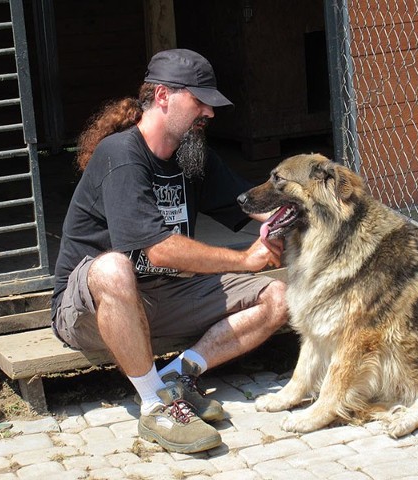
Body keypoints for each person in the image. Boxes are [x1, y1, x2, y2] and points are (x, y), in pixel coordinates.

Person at [50, 49, 288, 454]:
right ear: (163, 96)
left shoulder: (192, 154)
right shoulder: (121, 155)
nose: (209, 113)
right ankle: (155, 406)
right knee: (113, 268)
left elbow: (249, 205)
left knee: (278, 298)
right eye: (200, 102)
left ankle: (178, 376)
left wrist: (294, 213)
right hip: (94, 309)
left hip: (167, 297)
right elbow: (158, 250)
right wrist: (244, 259)